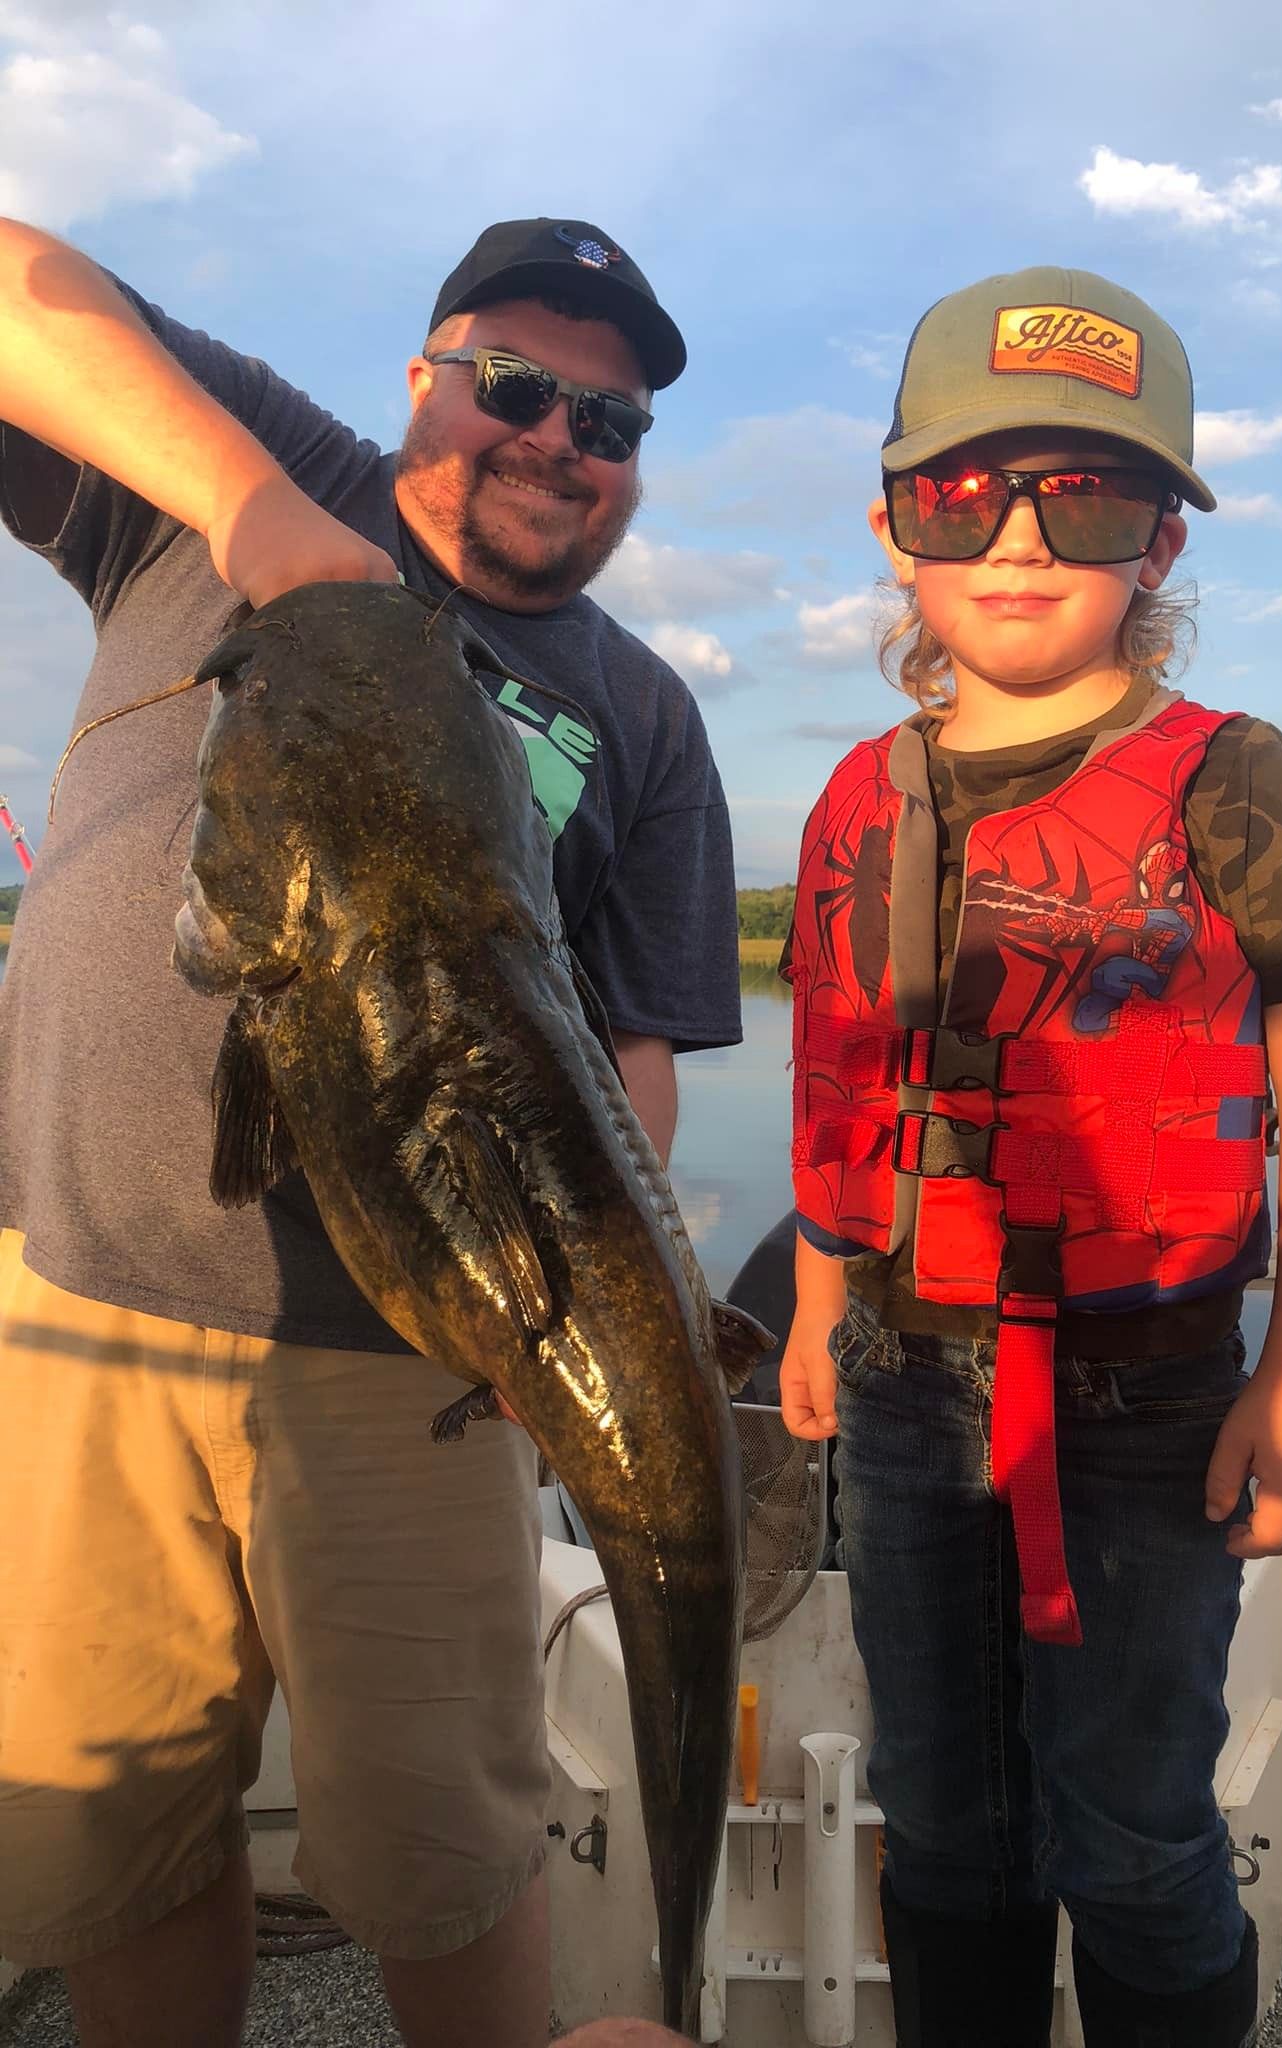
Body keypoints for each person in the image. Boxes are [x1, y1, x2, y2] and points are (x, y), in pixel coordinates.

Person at [0, 216, 740, 2048]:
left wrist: (581, 1318)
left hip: (411, 1360)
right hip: (79, 1303)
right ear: (425, 377)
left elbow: (635, 1056)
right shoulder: (240, 477)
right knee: (117, 1839)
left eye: (613, 421)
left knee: (442, 1845)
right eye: (518, 386)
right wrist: (270, 532)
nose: (563, 438)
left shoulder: (642, 712)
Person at [777, 266, 1282, 2047]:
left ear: (1163, 549)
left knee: (1130, 1838)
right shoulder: (848, 801)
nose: (1023, 537)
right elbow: (841, 1083)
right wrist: (821, 1299)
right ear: (901, 528)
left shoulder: (1231, 773)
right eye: (966, 494)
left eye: (1092, 493)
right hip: (904, 1384)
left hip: (1144, 1405)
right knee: (951, 1833)